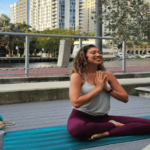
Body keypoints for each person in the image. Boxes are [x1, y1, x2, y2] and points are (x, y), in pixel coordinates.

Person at [67, 44, 150, 141]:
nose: (98, 54)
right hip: (81, 116)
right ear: (84, 57)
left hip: (103, 118)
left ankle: (106, 133)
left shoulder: (108, 76)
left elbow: (125, 98)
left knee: (148, 124)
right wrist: (98, 88)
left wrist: (107, 89)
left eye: (99, 53)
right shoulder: (77, 76)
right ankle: (113, 125)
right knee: (78, 130)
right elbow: (76, 103)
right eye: (93, 53)